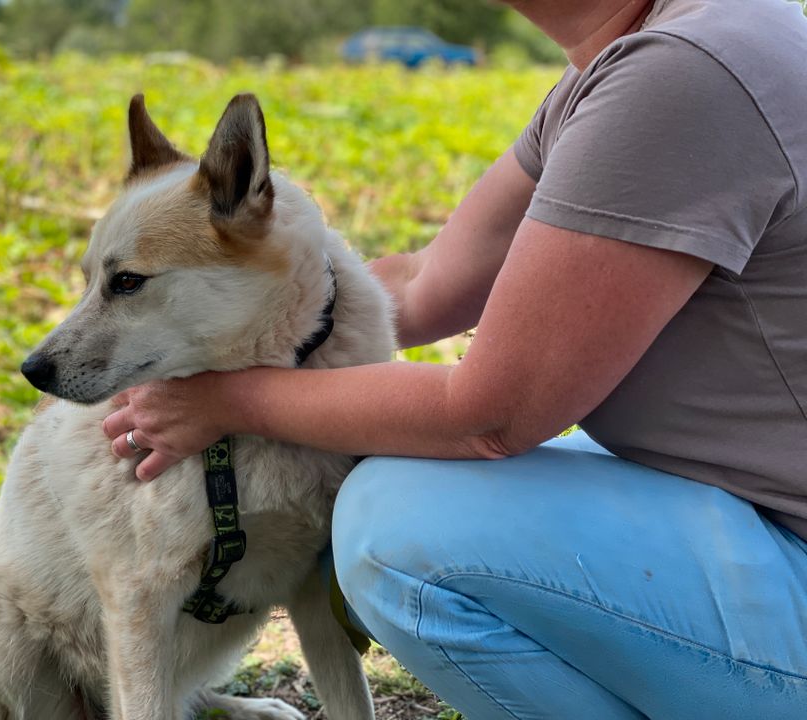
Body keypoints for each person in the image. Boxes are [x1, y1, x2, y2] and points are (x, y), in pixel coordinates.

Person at [101, 0, 807, 716]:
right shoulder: (666, 47)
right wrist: (241, 314)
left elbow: (489, 415)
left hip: (791, 561)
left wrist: (227, 399)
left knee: (399, 529)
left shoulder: (679, 77)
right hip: (753, 517)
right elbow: (426, 283)